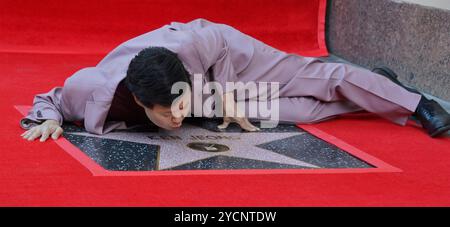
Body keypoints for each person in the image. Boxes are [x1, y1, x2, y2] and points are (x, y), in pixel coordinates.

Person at [20, 18, 450, 142]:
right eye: (169, 114)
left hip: (230, 58)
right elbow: (52, 98)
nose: (176, 119)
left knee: (312, 78)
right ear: (139, 99)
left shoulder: (189, 44)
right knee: (304, 113)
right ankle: (377, 86)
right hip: (207, 95)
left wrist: (225, 97)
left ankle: (415, 104)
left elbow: (217, 49)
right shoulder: (91, 89)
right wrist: (49, 118)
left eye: (179, 108)